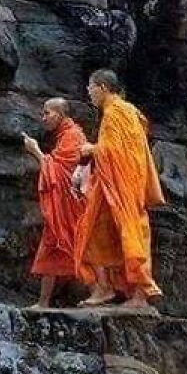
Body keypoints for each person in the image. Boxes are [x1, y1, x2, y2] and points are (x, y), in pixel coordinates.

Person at [74, 69, 165, 309]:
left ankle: (140, 294)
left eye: (91, 88)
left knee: (128, 233)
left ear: (103, 87)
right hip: (112, 185)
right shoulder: (121, 111)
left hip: (123, 186)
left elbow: (118, 152)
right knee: (98, 233)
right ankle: (105, 289)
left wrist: (91, 150)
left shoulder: (117, 112)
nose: (89, 93)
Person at [22, 98, 86, 309]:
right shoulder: (65, 136)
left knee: (77, 248)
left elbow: (58, 173)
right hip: (62, 205)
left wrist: (35, 151)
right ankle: (43, 301)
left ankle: (98, 294)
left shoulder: (73, 136)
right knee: (53, 246)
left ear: (60, 114)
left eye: (47, 113)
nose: (43, 118)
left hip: (72, 205)